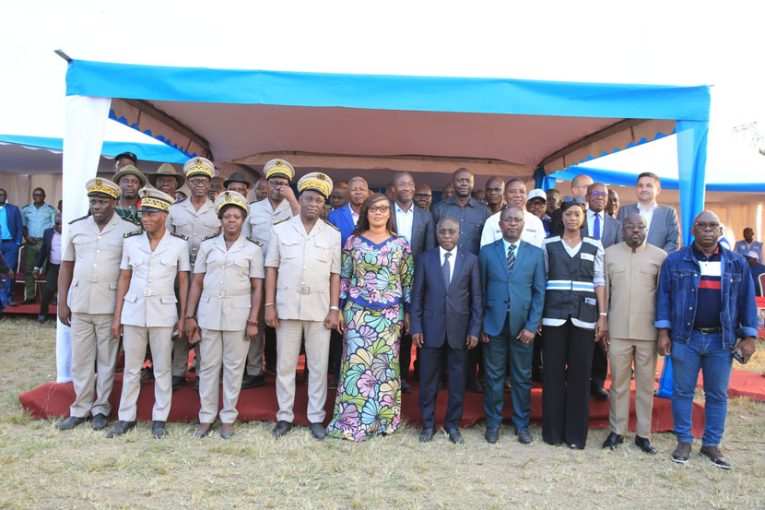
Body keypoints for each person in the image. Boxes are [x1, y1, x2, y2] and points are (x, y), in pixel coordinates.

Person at [656, 210, 757, 469]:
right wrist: (663, 332)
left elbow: (747, 302)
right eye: (702, 225)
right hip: (685, 338)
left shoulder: (736, 263)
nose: (708, 229)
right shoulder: (675, 260)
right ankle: (684, 440)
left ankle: (711, 443)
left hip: (721, 341)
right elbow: (663, 298)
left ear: (720, 231)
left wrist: (749, 336)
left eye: (714, 225)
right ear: (693, 230)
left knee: (717, 394)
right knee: (682, 391)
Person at [326, 193, 414, 442]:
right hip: (358, 313)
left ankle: (383, 420)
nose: (378, 213)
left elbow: (407, 281)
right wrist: (340, 308)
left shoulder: (401, 244)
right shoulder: (353, 241)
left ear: (390, 213)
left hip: (389, 315)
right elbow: (344, 277)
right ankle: (351, 421)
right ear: (366, 212)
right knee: (356, 367)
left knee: (384, 369)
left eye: (383, 209)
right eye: (373, 209)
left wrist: (407, 313)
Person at [107, 187, 190, 439]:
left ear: (164, 215)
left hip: (163, 312)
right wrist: (117, 316)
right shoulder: (131, 241)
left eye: (151, 213)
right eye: (143, 213)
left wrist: (184, 316)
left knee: (162, 368)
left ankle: (159, 418)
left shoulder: (178, 244)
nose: (145, 218)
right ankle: (126, 417)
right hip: (133, 311)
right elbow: (124, 277)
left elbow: (184, 281)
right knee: (131, 368)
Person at [54, 179, 136, 432]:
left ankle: (101, 408)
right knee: (80, 360)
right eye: (93, 201)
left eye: (102, 201)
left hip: (110, 304)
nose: (97, 206)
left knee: (107, 360)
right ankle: (80, 408)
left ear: (114, 202)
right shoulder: (77, 228)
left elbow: (130, 271)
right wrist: (62, 302)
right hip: (79, 303)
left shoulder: (128, 229)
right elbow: (66, 265)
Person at [265, 173, 341, 440]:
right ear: (299, 199)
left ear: (324, 206)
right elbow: (271, 268)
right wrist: (269, 305)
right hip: (286, 307)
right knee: (285, 364)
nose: (312, 204)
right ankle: (284, 415)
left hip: (319, 309)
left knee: (318, 366)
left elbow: (335, 274)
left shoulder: (333, 235)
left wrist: (334, 308)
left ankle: (316, 417)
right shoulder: (280, 229)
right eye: (308, 198)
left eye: (319, 200)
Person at [184, 191, 264, 439]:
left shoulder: (252, 249)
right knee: (207, 366)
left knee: (233, 368)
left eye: (236, 217)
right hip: (208, 312)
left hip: (238, 315)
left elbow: (257, 286)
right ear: (220, 220)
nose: (231, 221)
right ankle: (206, 417)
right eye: (227, 216)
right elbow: (197, 282)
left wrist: (253, 320)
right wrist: (189, 315)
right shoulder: (208, 246)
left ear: (243, 220)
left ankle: (228, 417)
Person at [541, 196, 607, 449]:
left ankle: (576, 436)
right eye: (568, 214)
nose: (572, 218)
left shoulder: (594, 245)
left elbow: (599, 280)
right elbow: (543, 279)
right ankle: (553, 433)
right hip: (553, 315)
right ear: (562, 217)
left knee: (581, 375)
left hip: (585, 316)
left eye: (577, 214)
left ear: (583, 218)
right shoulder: (548, 245)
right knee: (553, 374)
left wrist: (602, 316)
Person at [411, 217, 481, 444]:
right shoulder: (425, 259)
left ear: (459, 234)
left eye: (452, 232)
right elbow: (418, 296)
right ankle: (428, 425)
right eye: (443, 232)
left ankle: (453, 425)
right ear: (437, 234)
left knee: (457, 381)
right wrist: (416, 326)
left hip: (459, 331)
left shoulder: (470, 260)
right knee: (428, 380)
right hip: (430, 330)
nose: (447, 236)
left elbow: (476, 298)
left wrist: (474, 329)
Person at [602, 213, 667, 454]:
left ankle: (643, 434)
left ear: (646, 229)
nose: (635, 230)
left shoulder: (660, 257)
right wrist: (604, 325)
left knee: (645, 385)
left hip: (648, 331)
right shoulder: (609, 254)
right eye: (630, 226)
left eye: (640, 226)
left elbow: (664, 297)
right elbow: (605, 292)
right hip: (617, 330)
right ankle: (616, 431)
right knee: (617, 383)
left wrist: (663, 331)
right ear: (622, 229)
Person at [479, 207, 545, 445]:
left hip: (522, 328)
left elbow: (539, 292)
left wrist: (532, 325)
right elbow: (480, 291)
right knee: (494, 376)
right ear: (501, 224)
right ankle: (493, 424)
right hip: (493, 326)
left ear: (523, 223)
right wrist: (481, 325)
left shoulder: (536, 254)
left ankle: (521, 425)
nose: (513, 224)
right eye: (509, 220)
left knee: (521, 377)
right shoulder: (486, 253)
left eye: (517, 220)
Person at [432, 168, 490, 392]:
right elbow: (432, 243)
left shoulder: (483, 212)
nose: (464, 183)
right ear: (453, 182)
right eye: (459, 180)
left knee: (470, 322)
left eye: (468, 180)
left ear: (473, 183)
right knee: (441, 321)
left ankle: (470, 376)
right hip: (445, 273)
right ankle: (441, 374)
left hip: (472, 273)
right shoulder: (440, 209)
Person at [166, 157, 221, 390]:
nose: (199, 184)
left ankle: (201, 371)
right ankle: (178, 370)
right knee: (180, 320)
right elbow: (166, 241)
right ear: (188, 183)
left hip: (208, 275)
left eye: (204, 180)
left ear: (210, 184)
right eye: (195, 180)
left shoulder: (218, 210)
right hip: (180, 273)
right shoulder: (174, 210)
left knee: (204, 322)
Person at [244, 159, 300, 388]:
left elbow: (304, 228)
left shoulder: (295, 208)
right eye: (274, 182)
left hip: (285, 276)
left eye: (283, 183)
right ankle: (255, 370)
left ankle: (281, 369)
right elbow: (245, 242)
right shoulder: (253, 209)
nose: (278, 187)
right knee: (255, 322)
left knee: (284, 325)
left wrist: (292, 199)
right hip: (257, 275)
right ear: (266, 183)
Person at [391, 171, 434, 392]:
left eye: (409, 184)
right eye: (401, 184)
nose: (406, 188)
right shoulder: (384, 211)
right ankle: (385, 374)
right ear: (393, 189)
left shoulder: (425, 217)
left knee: (408, 327)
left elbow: (427, 253)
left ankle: (402, 375)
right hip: (386, 279)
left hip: (414, 279)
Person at [584, 182, 622, 400]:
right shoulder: (577, 219)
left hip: (605, 285)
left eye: (603, 195)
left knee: (601, 336)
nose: (600, 197)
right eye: (595, 194)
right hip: (580, 283)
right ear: (587, 196)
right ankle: (578, 378)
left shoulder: (616, 226)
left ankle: (597, 382)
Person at [617, 172, 680, 252]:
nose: (644, 189)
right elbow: (619, 238)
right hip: (628, 260)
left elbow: (674, 242)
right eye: (640, 186)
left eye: (649, 186)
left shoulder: (669, 213)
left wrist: (658, 258)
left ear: (658, 190)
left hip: (659, 262)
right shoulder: (624, 210)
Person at [480, 178, 546, 250]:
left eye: (521, 191)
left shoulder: (536, 222)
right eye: (512, 191)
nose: (517, 195)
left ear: (526, 196)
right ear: (504, 196)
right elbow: (485, 251)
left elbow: (541, 252)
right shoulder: (492, 221)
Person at [21, 187, 57, 304]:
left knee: (49, 270)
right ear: (32, 195)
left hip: (45, 242)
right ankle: (30, 297)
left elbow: (54, 227)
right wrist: (26, 237)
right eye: (36, 194)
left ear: (44, 196)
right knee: (29, 270)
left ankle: (49, 296)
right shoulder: (26, 209)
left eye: (40, 195)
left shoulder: (51, 210)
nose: (38, 196)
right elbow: (24, 226)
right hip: (30, 242)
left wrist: (49, 241)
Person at [33, 213, 62, 324]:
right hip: (53, 266)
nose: (60, 226)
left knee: (67, 293)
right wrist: (37, 266)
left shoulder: (71, 232)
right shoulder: (48, 233)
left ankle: (60, 319)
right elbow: (43, 251)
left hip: (67, 268)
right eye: (58, 223)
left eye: (62, 224)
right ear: (54, 223)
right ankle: (42, 314)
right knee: (49, 290)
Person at [327, 176, 369, 248]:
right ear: (348, 193)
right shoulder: (334, 216)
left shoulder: (375, 215)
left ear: (367, 192)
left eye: (362, 189)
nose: (358, 192)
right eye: (354, 190)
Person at [0, 188, 23, 306]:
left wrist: (17, 243)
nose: (1, 196)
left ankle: (9, 296)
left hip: (10, 244)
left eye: (3, 194)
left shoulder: (13, 209)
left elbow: (20, 226)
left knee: (10, 270)